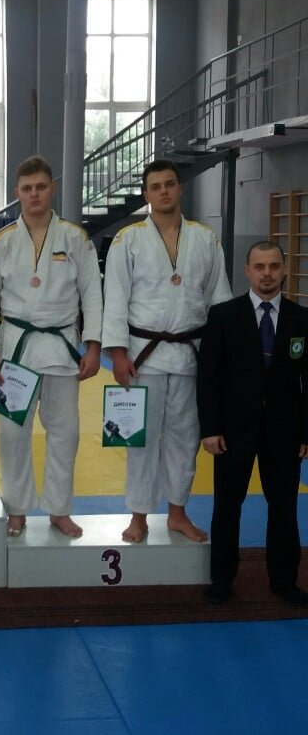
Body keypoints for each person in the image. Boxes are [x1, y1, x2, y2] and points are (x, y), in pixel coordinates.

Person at [102, 158, 232, 543]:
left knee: (185, 438)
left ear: (180, 188)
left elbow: (219, 300)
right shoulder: (128, 240)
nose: (163, 191)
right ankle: (139, 516)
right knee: (139, 438)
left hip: (191, 353)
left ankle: (177, 513)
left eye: (169, 184)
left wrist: (219, 355)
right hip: (143, 354)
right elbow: (115, 299)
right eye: (156, 186)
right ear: (146, 193)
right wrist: (118, 353)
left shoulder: (205, 239)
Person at [0, 155, 103, 537]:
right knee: (13, 434)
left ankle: (59, 509)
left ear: (52, 188)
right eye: (27, 188)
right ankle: (16, 508)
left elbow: (92, 295)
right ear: (17, 192)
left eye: (41, 187)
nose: (34, 194)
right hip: (16, 349)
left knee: (66, 432)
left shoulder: (75, 239)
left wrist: (94, 345)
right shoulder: (2, 241)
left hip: (63, 348)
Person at [198, 241, 308, 605]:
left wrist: (306, 432)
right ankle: (221, 578)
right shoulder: (223, 316)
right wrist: (210, 428)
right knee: (227, 507)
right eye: (259, 267)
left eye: (274, 266)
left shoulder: (301, 319)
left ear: (284, 269)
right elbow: (209, 377)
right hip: (232, 430)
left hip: (285, 430)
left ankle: (284, 580)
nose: (267, 274)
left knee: (285, 508)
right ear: (247, 271)